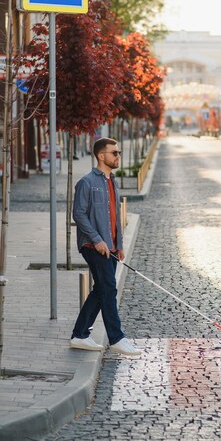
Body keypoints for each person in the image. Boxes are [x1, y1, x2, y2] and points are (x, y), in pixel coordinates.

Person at [70, 137, 141, 356]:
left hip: (109, 246)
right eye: (114, 152)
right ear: (102, 156)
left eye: (118, 152)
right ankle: (116, 338)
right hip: (92, 245)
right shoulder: (87, 182)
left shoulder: (112, 182)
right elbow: (79, 214)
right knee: (109, 287)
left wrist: (117, 245)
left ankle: (80, 335)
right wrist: (97, 239)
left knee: (101, 289)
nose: (118, 156)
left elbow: (115, 218)